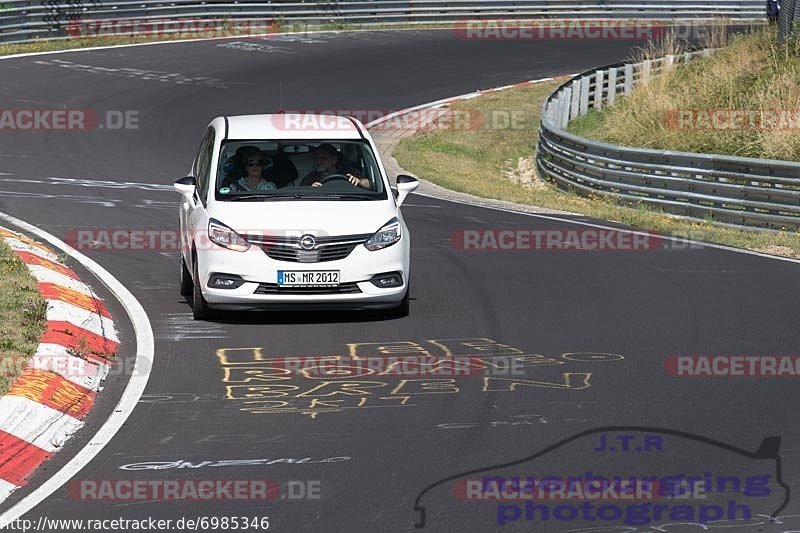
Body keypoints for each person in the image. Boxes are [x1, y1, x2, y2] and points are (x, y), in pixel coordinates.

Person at [300, 143, 371, 189]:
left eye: (323, 158)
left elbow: (370, 185)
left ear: (334, 159)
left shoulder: (349, 171)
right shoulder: (310, 178)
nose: (319, 161)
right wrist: (311, 189)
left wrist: (359, 182)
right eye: (317, 158)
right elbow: (301, 193)